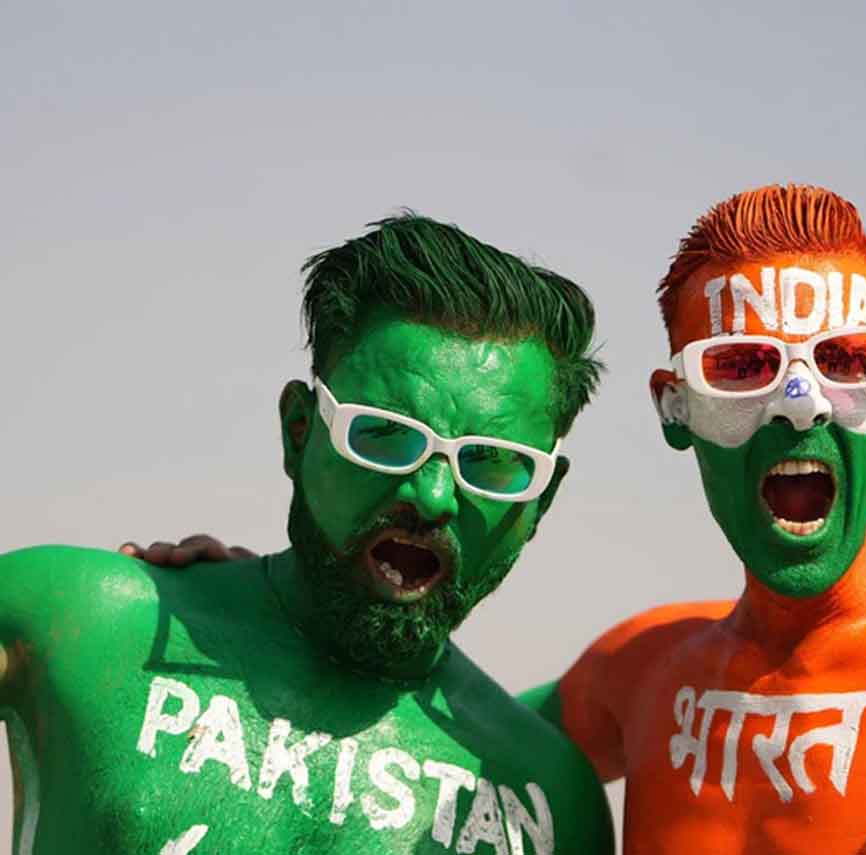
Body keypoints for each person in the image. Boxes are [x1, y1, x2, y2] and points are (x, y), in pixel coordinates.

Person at [147, 186, 866, 854]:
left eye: (846, 361)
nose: (799, 403)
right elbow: (412, 713)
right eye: (742, 366)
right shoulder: (644, 671)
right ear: (675, 408)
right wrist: (273, 604)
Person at [1, 216, 614, 854]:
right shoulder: (80, 622)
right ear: (299, 432)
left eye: (492, 464)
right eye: (383, 435)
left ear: (542, 502)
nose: (432, 496)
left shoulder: (551, 803)